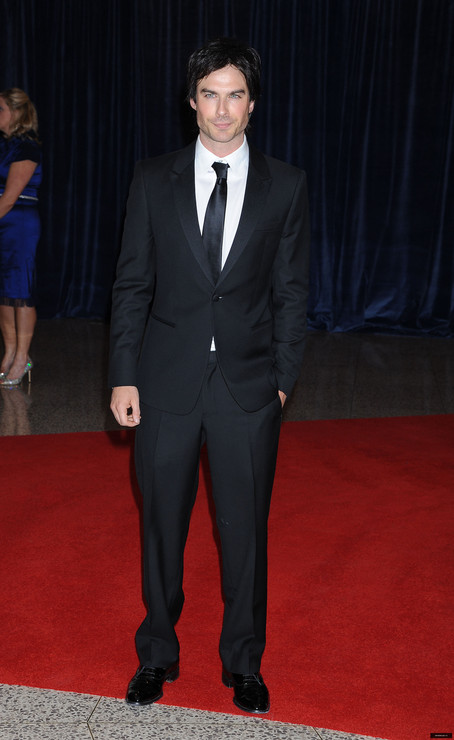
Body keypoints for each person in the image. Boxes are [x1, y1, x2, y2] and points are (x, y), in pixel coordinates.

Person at [109, 37, 310, 714]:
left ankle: (243, 662)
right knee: (161, 526)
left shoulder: (286, 184)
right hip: (163, 383)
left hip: (249, 391)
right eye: (209, 94)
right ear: (191, 101)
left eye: (235, 95)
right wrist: (123, 375)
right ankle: (157, 654)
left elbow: (291, 292)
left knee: (243, 531)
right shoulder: (150, 178)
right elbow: (132, 284)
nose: (221, 110)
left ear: (252, 105)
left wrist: (281, 380)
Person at [0, 88, 41, 387]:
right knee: (4, 292)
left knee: (20, 291)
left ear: (16, 112)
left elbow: (10, 198)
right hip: (3, 224)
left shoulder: (25, 147)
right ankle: (10, 352)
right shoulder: (5, 146)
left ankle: (23, 357)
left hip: (19, 226)